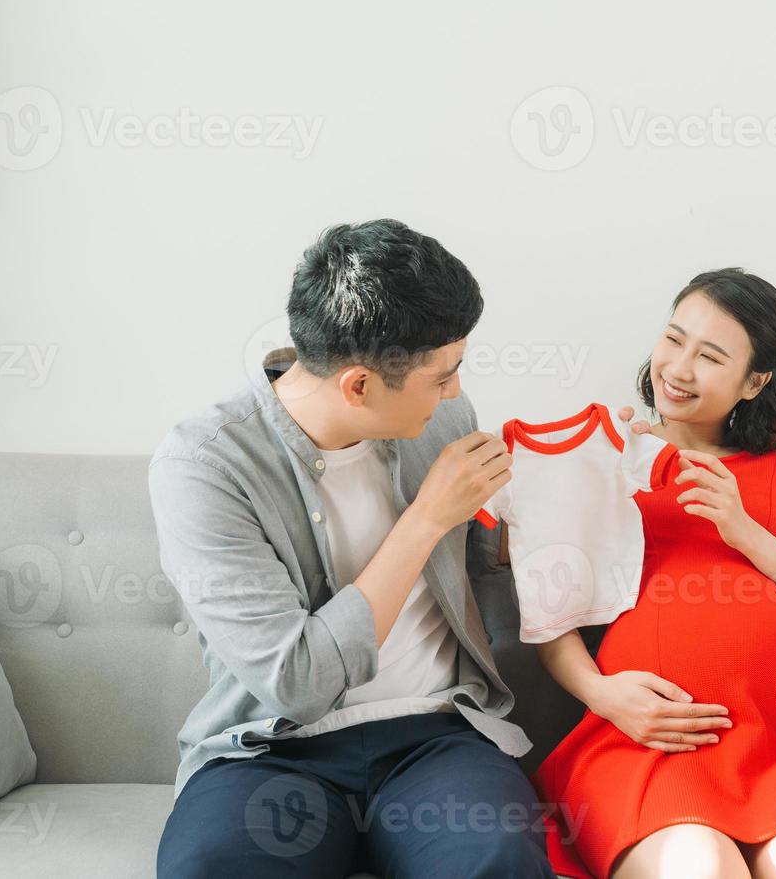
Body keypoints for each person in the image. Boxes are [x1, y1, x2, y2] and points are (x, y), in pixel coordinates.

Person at [150, 218, 629, 878]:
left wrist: (568, 500)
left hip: (437, 737)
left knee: (496, 865)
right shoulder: (205, 465)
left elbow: (491, 578)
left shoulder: (442, 420)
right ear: (357, 386)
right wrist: (427, 517)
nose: (456, 392)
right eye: (442, 376)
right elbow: (297, 683)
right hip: (272, 748)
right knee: (213, 869)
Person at [530, 268, 776, 879]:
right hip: (646, 741)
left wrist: (746, 531)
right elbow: (549, 616)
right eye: (673, 339)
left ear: (754, 380)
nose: (679, 369)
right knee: (700, 867)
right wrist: (604, 696)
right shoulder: (604, 457)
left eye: (710, 356)